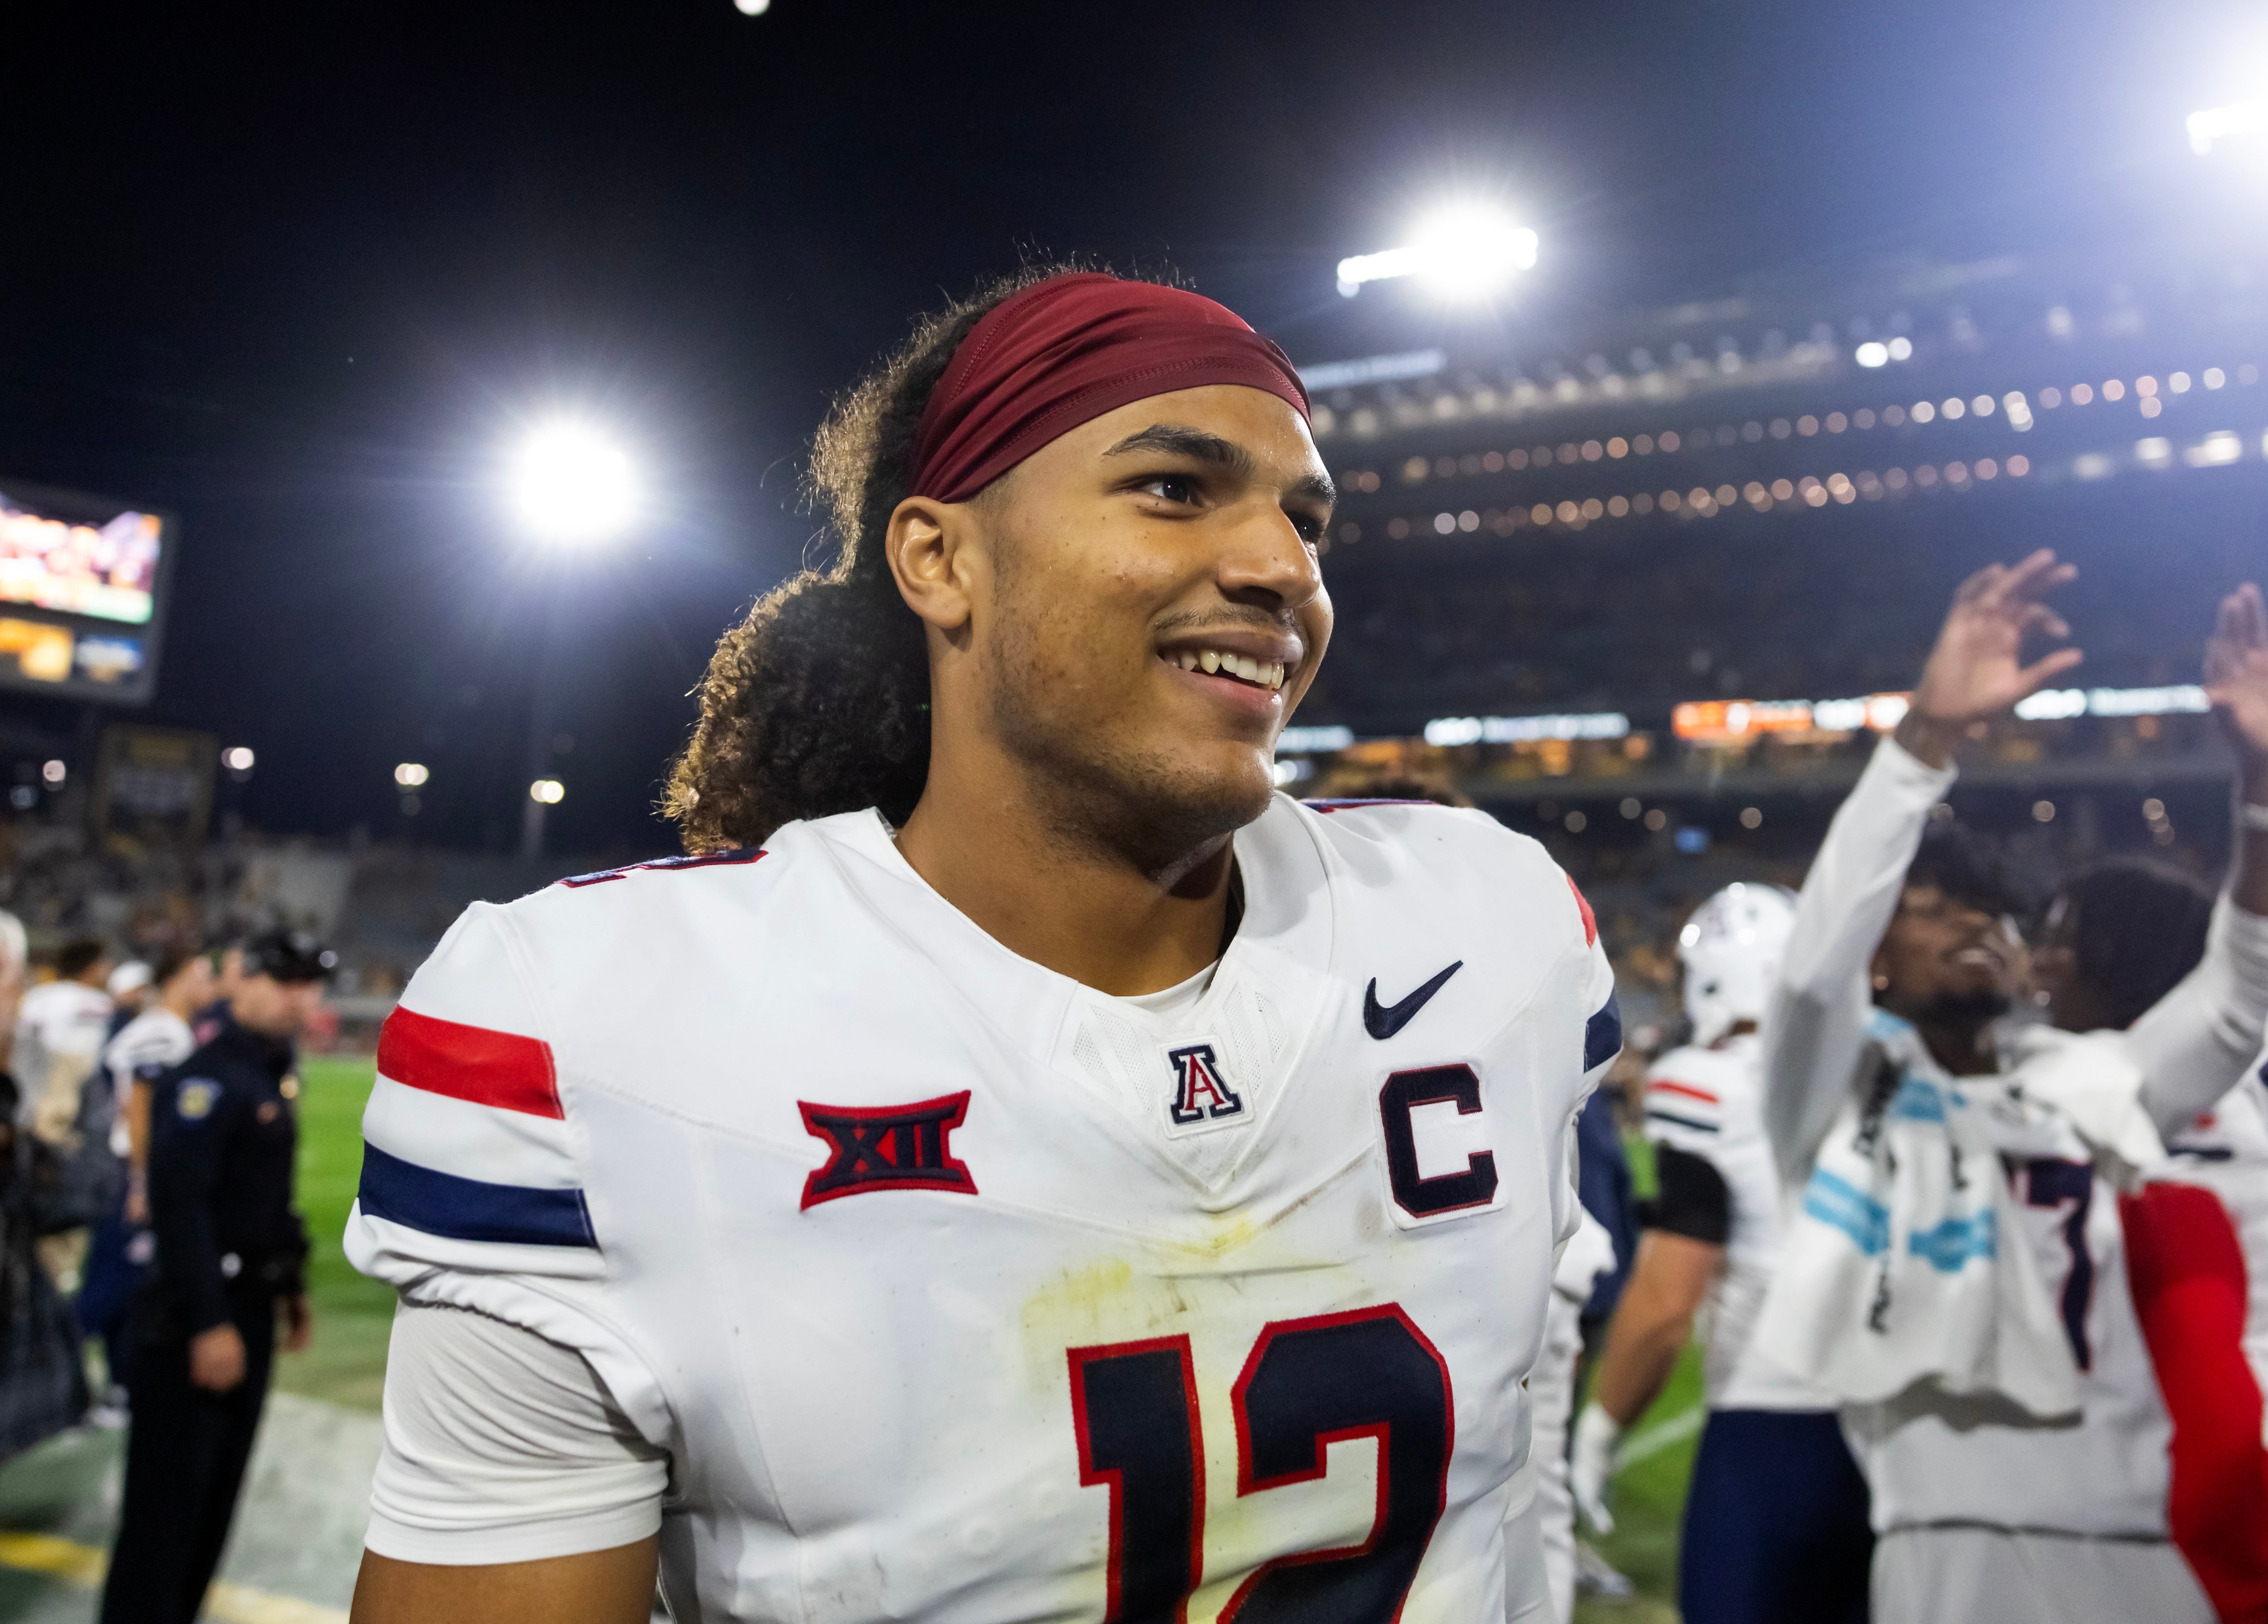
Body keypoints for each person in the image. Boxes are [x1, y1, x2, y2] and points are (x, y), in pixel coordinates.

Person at [344, 268, 1622, 1624]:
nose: (1279, 567)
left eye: (1305, 519)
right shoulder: (597, 1026)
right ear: (937, 559)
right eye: (1176, 488)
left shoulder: (1489, 925)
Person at [1757, 557, 2268, 1624]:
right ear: (1877, 960)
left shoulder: (2093, 1078)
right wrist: (1923, 741)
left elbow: (2234, 1000)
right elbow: (1809, 973)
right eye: (1932, 907)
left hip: (2138, 1543)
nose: (1974, 926)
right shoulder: (1835, 1095)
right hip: (1944, 1551)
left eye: (1989, 911)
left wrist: (2257, 786)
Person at [1572, 881, 1874, 1624]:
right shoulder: (1880, 1069)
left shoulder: (1706, 1084)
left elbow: (1670, 1293)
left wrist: (1604, 1423)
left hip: (1773, 1419)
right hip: (1888, 1421)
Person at [100, 929, 328, 1624]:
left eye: (307, 984)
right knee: (165, 1520)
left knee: (211, 1509)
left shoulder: (265, 1067)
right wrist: (208, 1322)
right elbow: (180, 1208)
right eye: (284, 981)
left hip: (247, 1310)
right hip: (197, 1321)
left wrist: (288, 1289)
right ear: (243, 977)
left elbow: (263, 1200)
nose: (299, 999)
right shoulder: (206, 1075)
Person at [78, 946, 217, 1412]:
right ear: (177, 977)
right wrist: (143, 1181)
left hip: (131, 1168)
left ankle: (119, 1385)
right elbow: (138, 1106)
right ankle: (62, 1378)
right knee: (112, 1284)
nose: (210, 984)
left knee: (127, 1283)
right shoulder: (162, 1031)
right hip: (128, 1171)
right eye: (202, 973)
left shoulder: (166, 1028)